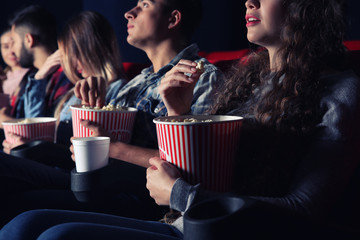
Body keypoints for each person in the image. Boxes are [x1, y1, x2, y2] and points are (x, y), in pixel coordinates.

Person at [1, 0, 359, 239]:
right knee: (24, 224)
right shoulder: (248, 81)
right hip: (180, 216)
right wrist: (178, 114)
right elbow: (204, 168)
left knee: (52, 233)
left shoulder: (342, 91)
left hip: (210, 228)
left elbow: (305, 210)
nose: (250, 1)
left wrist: (180, 193)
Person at [0, 0, 222, 227]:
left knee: (23, 215)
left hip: (142, 199)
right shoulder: (135, 83)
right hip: (101, 183)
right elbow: (96, 140)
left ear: (173, 19)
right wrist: (92, 111)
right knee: (15, 205)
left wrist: (109, 146)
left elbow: (197, 163)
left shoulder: (200, 77)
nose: (128, 13)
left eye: (144, 5)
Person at [2, 10, 127, 151]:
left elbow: (88, 149)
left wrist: (29, 150)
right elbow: (36, 127)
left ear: (89, 51)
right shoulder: (74, 91)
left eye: (73, 53)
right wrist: (39, 78)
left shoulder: (117, 89)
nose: (71, 63)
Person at [0, 5, 73, 124]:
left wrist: (6, 122)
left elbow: (43, 130)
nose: (12, 49)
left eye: (14, 41)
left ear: (29, 40)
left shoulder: (68, 76)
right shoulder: (32, 78)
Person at [0, 28, 30, 106]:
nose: (11, 52)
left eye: (14, 45)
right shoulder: (3, 78)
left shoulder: (34, 77)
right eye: (6, 47)